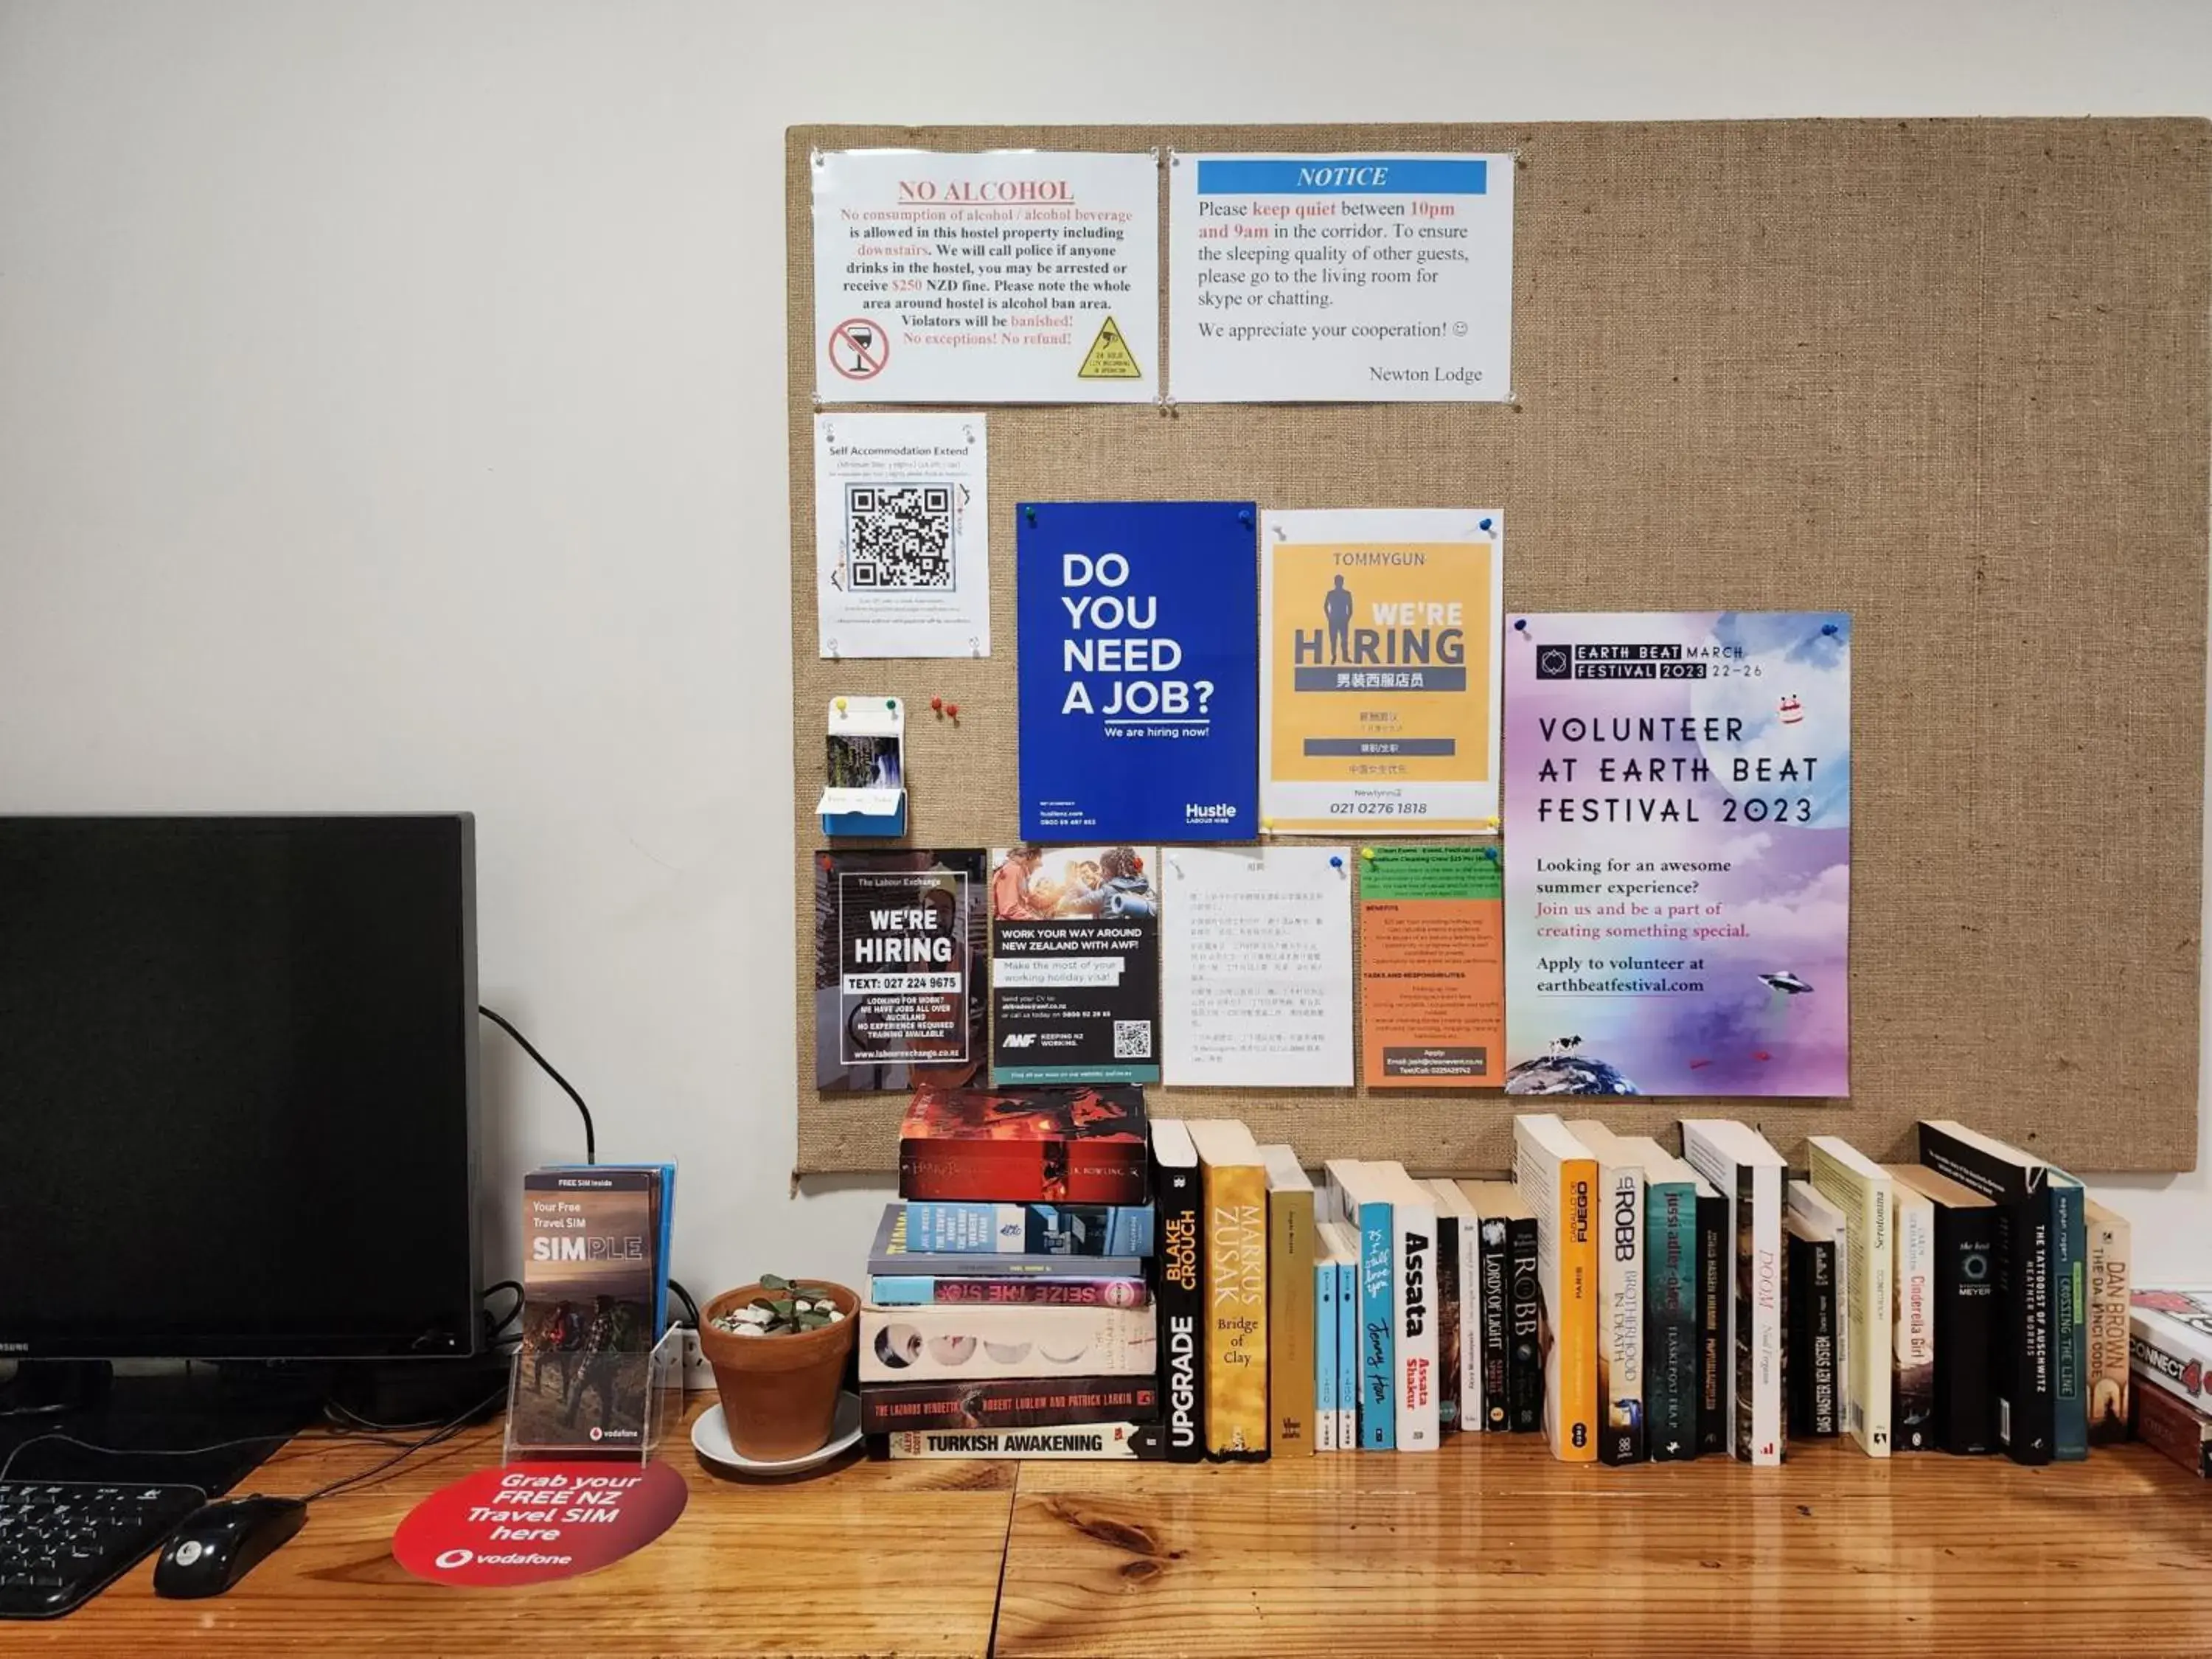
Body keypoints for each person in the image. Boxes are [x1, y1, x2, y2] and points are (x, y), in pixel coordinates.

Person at [990, 844, 1051, 920]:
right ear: (1030, 855)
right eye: (1039, 858)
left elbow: (1031, 900)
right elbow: (1009, 909)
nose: (1041, 864)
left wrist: (1058, 895)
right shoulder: (1013, 870)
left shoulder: (1019, 872)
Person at [1324, 574, 1354, 664]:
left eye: (1340, 581)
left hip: (1343, 619)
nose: (1339, 583)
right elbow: (1325, 606)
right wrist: (1329, 617)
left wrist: (1347, 618)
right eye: (1338, 581)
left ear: (1342, 582)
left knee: (1344, 640)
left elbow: (1351, 608)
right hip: (1333, 620)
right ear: (1335, 582)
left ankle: (1345, 657)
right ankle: (1334, 657)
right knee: (1333, 639)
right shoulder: (1331, 594)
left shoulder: (1347, 594)